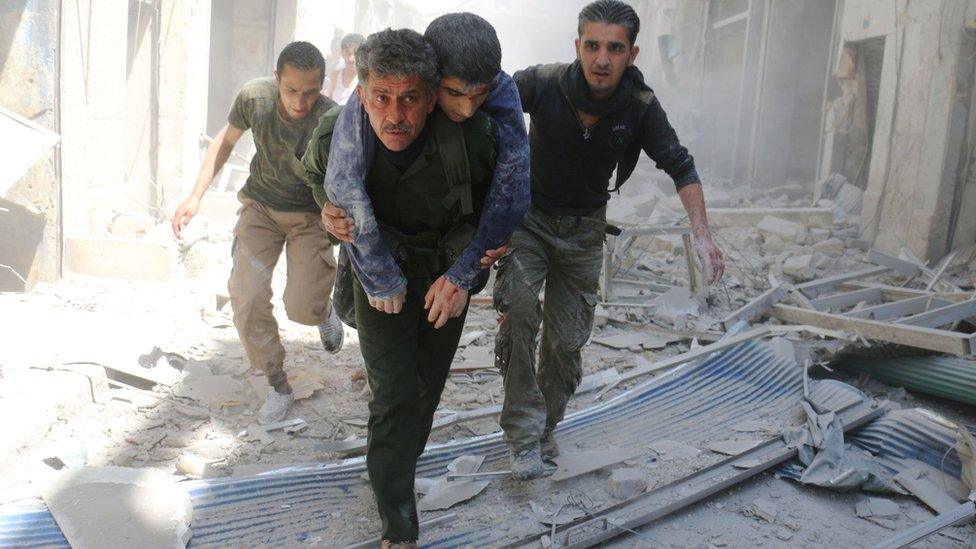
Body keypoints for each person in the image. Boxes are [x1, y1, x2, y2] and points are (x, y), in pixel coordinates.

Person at [496, 0, 727, 478]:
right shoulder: (541, 83)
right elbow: (478, 99)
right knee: (518, 313)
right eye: (593, 45)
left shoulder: (639, 108)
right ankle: (521, 434)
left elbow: (681, 165)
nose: (602, 59)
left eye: (615, 49)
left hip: (583, 234)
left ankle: (546, 429)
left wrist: (703, 235)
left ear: (632, 53)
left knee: (567, 342)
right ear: (577, 46)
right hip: (529, 223)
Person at [303, 27, 502, 549]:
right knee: (393, 394)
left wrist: (466, 275)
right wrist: (328, 214)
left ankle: (393, 465)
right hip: (378, 272)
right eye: (382, 98)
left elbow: (494, 218)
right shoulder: (334, 135)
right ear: (362, 93)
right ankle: (398, 521)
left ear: (432, 96)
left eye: (411, 99)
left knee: (425, 391)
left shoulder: (472, 137)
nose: (395, 116)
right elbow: (313, 179)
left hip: (444, 278)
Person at [318, 12, 530, 329]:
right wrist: (328, 207)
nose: (467, 109)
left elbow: (513, 187)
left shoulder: (500, 90)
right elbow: (337, 181)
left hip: (447, 239)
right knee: (352, 311)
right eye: (455, 93)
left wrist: (467, 267)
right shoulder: (387, 85)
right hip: (380, 225)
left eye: (478, 95)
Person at [170, 41, 343, 425]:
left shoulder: (332, 119)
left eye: (311, 92)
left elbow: (348, 178)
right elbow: (225, 141)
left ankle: (323, 312)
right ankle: (278, 384)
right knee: (246, 298)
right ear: (277, 78)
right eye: (292, 90)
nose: (301, 102)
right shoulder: (255, 97)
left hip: (311, 217)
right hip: (261, 209)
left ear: (322, 85)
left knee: (302, 308)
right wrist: (195, 195)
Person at [327, 33, 365, 105]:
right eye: (348, 53)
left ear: (363, 55)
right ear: (342, 53)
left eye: (356, 53)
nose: (351, 59)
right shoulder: (334, 76)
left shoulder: (366, 80)